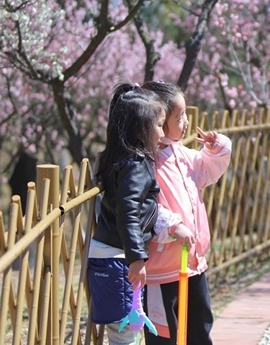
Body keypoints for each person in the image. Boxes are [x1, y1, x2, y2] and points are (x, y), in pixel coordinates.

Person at [141, 81, 232, 345]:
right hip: (161, 267)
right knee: (165, 332)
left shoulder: (183, 156)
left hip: (192, 262)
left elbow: (209, 169)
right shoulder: (148, 161)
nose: (186, 122)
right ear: (157, 120)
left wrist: (217, 148)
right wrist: (171, 224)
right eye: (179, 117)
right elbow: (144, 207)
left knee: (199, 326)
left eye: (185, 115)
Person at [88, 83, 166, 345]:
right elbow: (128, 212)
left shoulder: (114, 157)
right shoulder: (135, 164)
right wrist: (136, 259)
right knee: (126, 334)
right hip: (120, 258)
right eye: (158, 125)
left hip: (108, 253)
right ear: (139, 128)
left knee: (123, 330)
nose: (162, 132)